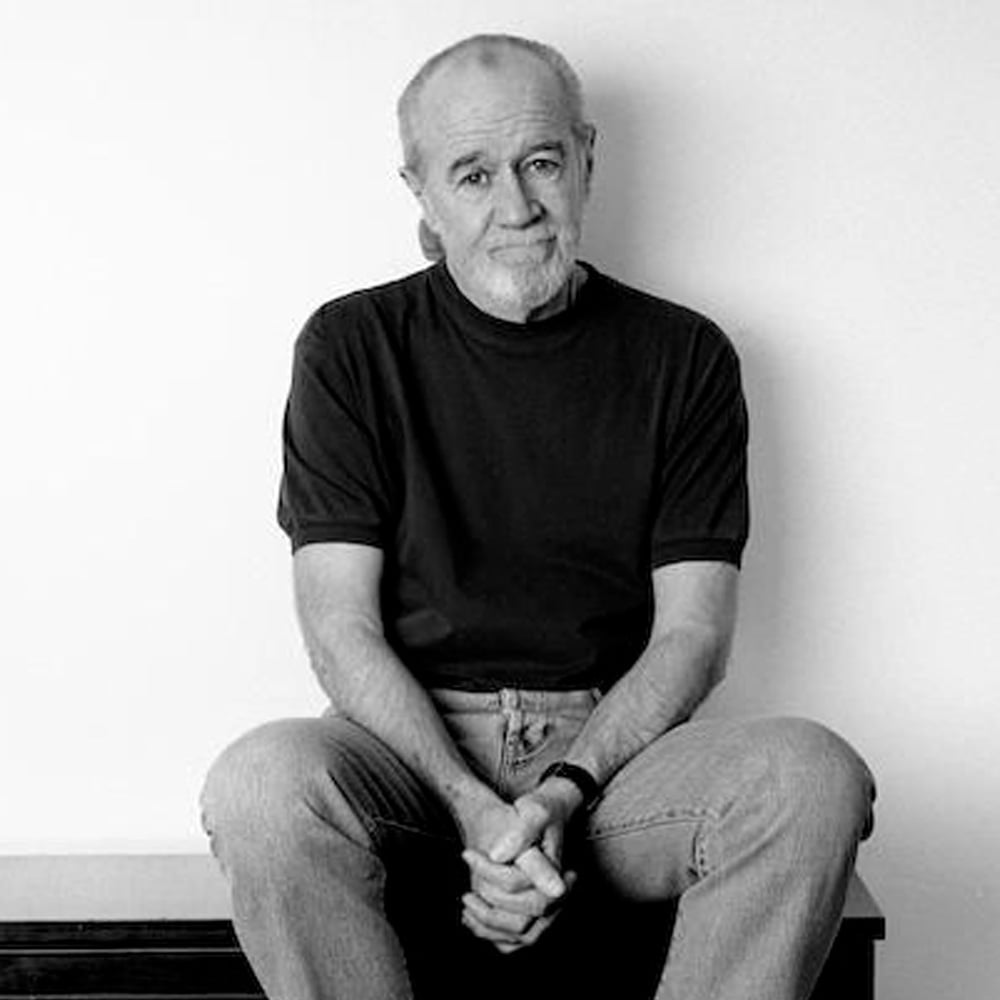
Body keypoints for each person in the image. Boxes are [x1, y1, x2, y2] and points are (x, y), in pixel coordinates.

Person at [200, 33, 875, 1000]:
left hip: (615, 765)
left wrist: (564, 791)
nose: (516, 207)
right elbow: (339, 628)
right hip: (410, 756)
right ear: (421, 194)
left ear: (587, 159)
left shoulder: (685, 358)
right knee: (262, 785)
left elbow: (694, 634)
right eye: (473, 174)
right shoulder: (350, 347)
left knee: (810, 775)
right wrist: (475, 808)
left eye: (542, 163)